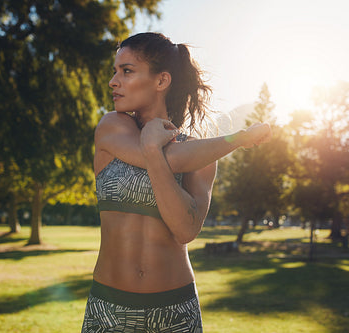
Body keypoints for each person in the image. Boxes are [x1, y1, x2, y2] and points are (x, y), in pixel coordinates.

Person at [81, 32, 271, 332]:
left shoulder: (203, 156)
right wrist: (238, 140)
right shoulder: (111, 127)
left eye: (126, 71)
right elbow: (174, 159)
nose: (113, 81)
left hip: (175, 312)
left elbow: (185, 230)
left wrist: (154, 149)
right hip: (109, 308)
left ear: (161, 81)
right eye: (115, 71)